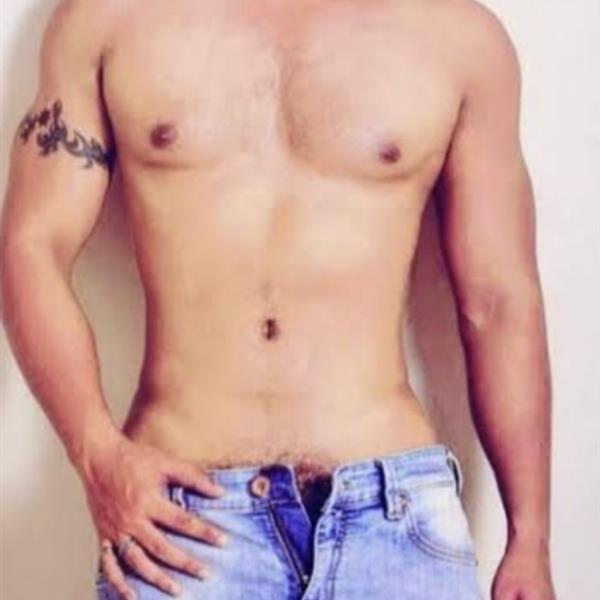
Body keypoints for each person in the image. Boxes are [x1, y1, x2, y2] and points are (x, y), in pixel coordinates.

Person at [0, 0, 556, 598]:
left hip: (394, 523)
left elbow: (498, 300)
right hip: (180, 525)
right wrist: (96, 454)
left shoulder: (458, 38)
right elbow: (32, 245)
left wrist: (530, 538)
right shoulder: (110, 18)